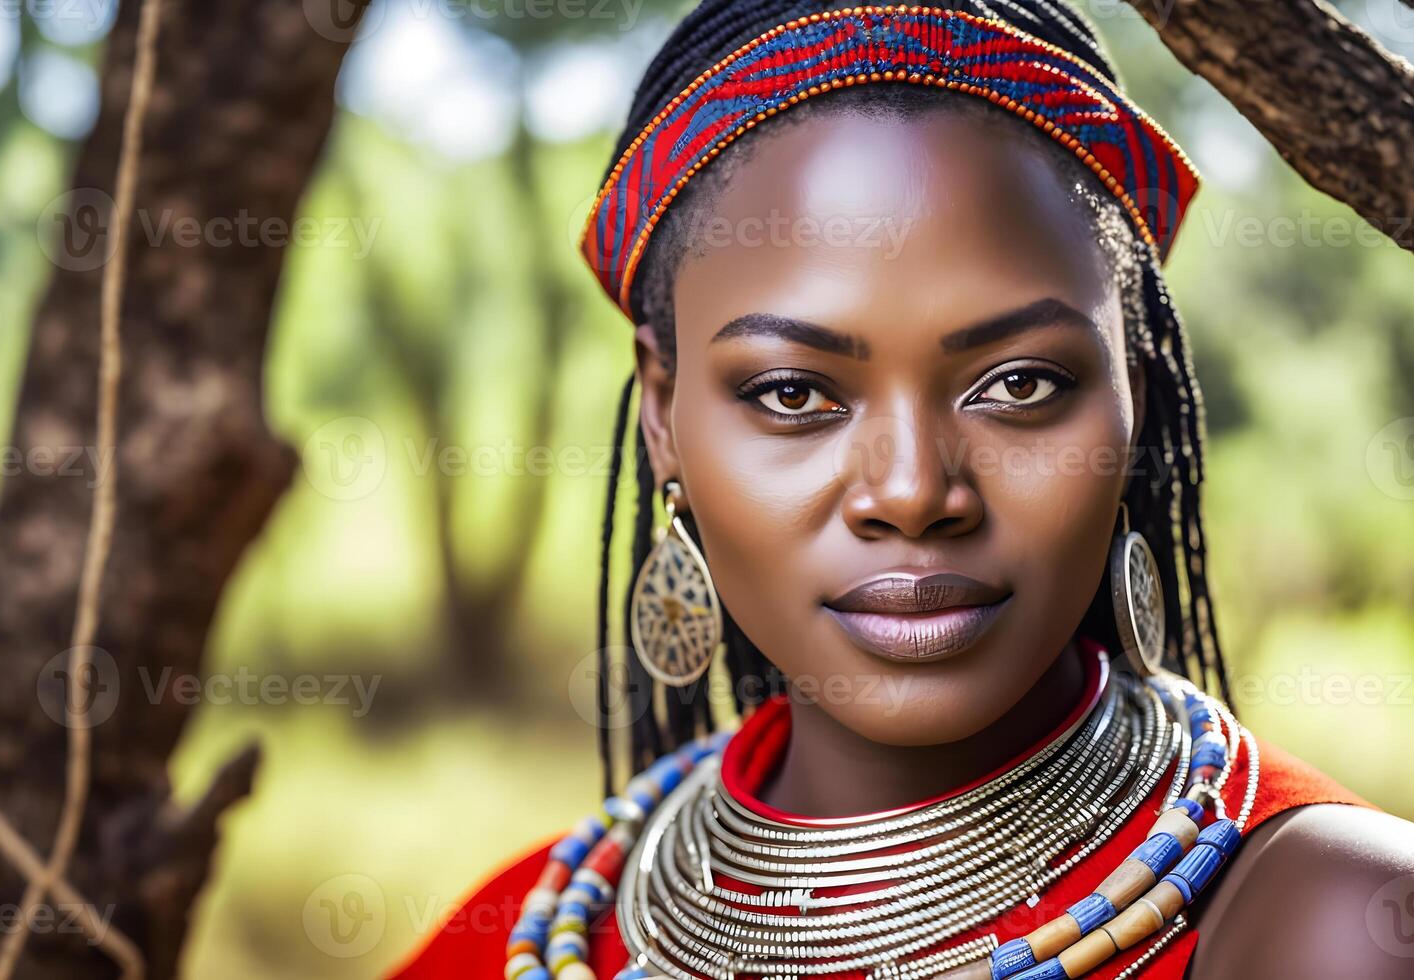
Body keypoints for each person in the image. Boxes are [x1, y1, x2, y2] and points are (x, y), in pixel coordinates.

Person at [390, 1, 1414, 976]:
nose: (915, 490)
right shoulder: (526, 929)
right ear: (664, 414)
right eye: (793, 392)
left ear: (1131, 400)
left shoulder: (1331, 924)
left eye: (1019, 384)